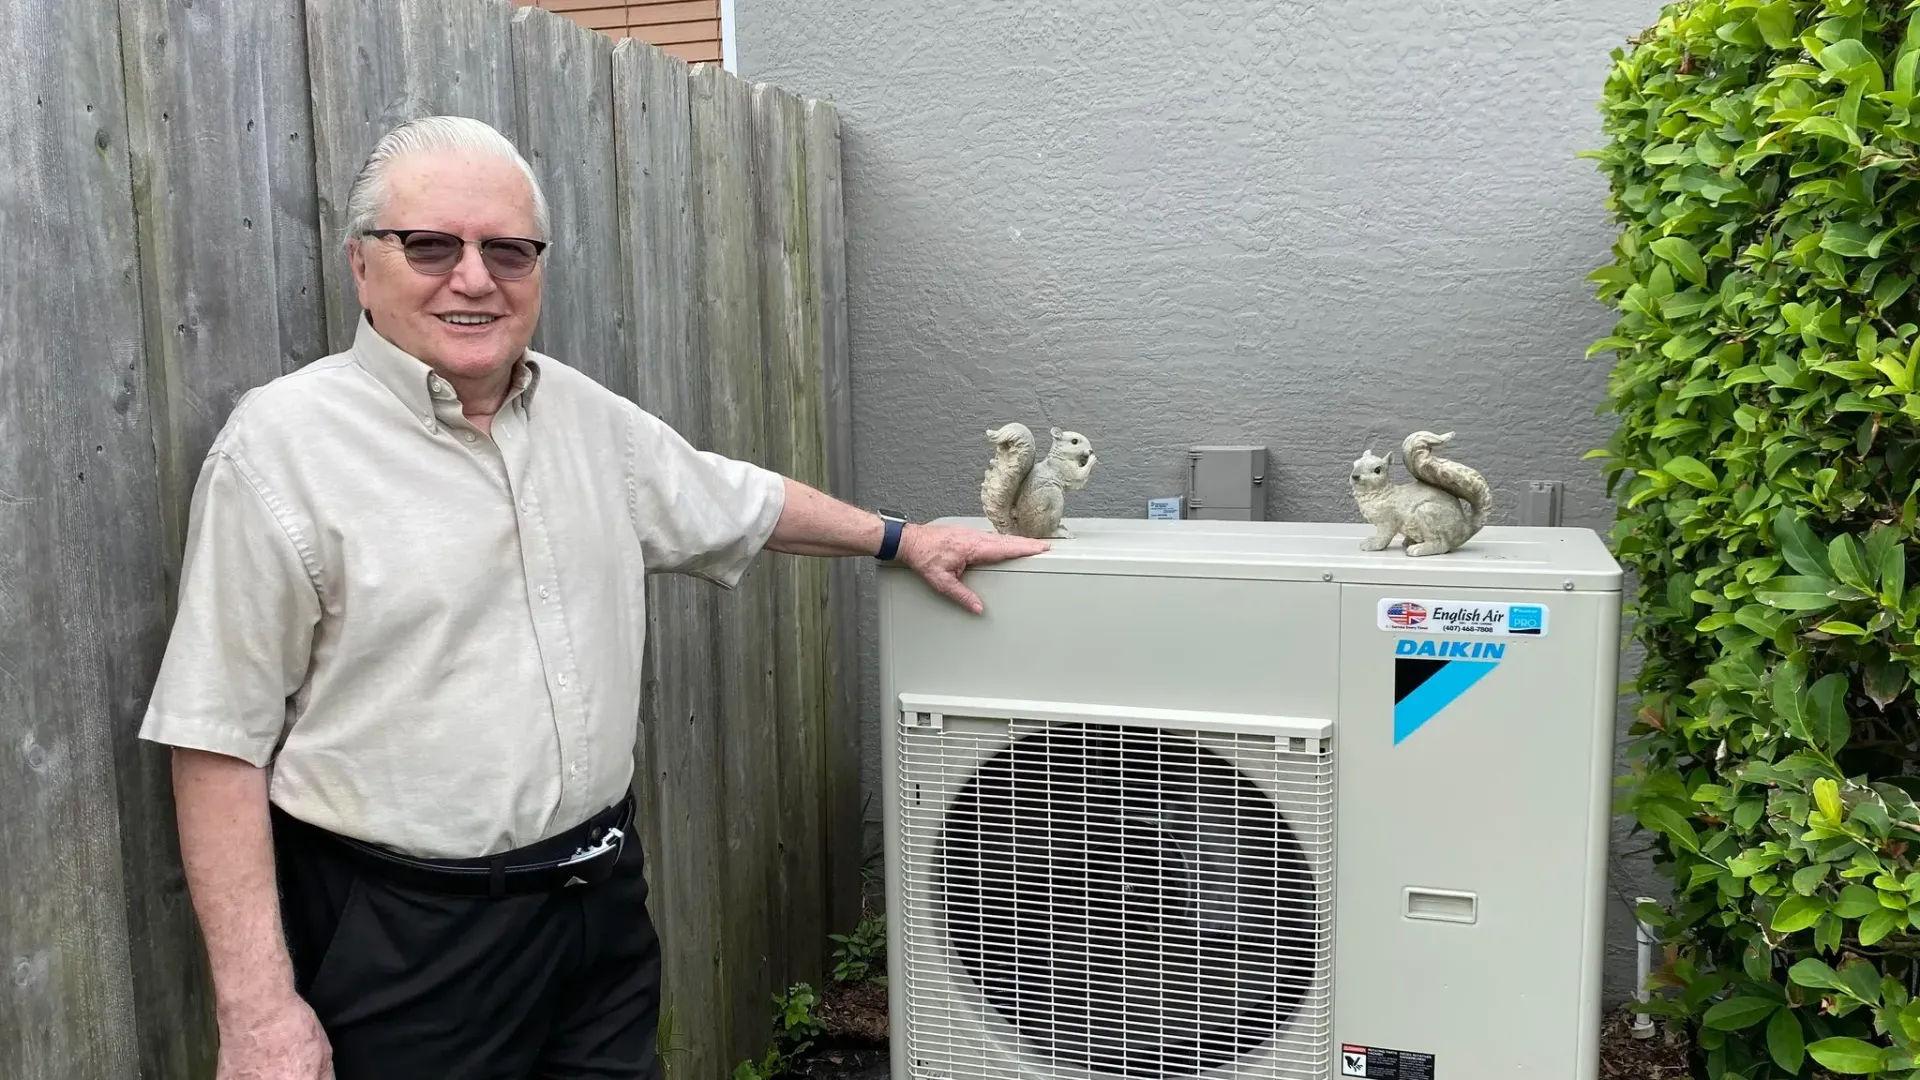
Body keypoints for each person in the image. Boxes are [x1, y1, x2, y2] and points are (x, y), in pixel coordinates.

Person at [137, 114, 1047, 1080]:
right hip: (404, 938)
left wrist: (903, 539)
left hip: (597, 910)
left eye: (509, 251)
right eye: (432, 245)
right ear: (362, 263)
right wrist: (259, 1012)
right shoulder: (282, 449)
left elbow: (735, 496)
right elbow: (214, 740)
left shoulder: (581, 414)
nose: (475, 277)